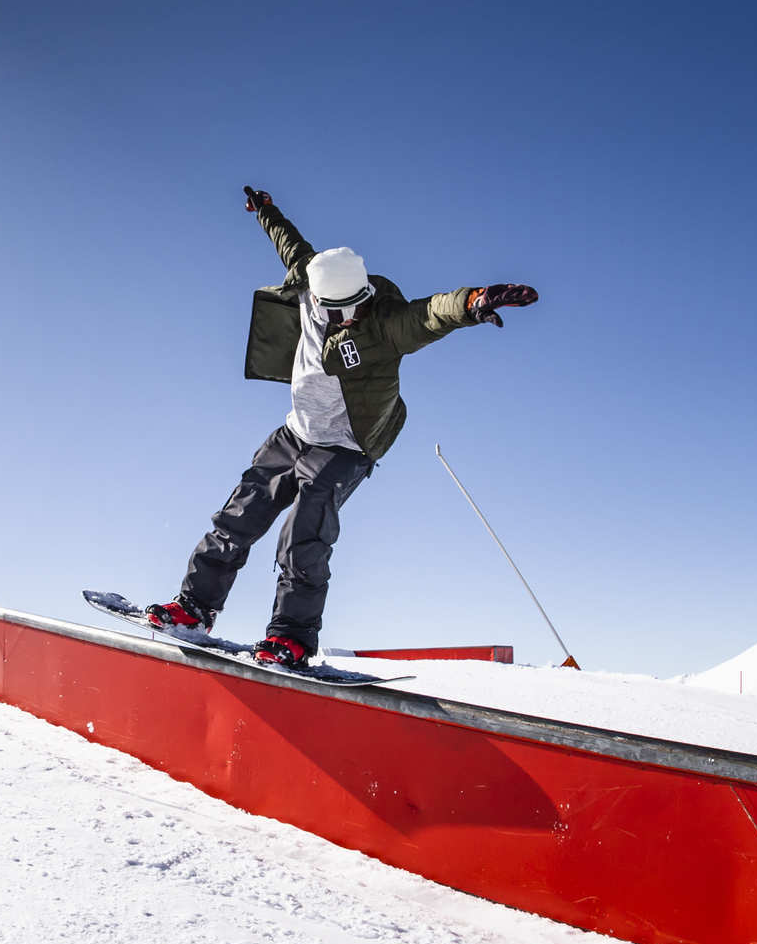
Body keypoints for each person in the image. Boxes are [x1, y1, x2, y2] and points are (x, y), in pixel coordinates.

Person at [145, 185, 538, 669]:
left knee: (304, 538)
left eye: (351, 309)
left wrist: (475, 301)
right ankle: (195, 609)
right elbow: (288, 242)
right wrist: (266, 210)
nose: (342, 320)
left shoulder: (384, 322)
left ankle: (290, 637)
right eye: (333, 312)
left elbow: (431, 313)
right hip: (295, 433)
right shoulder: (309, 279)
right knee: (237, 519)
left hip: (347, 446)